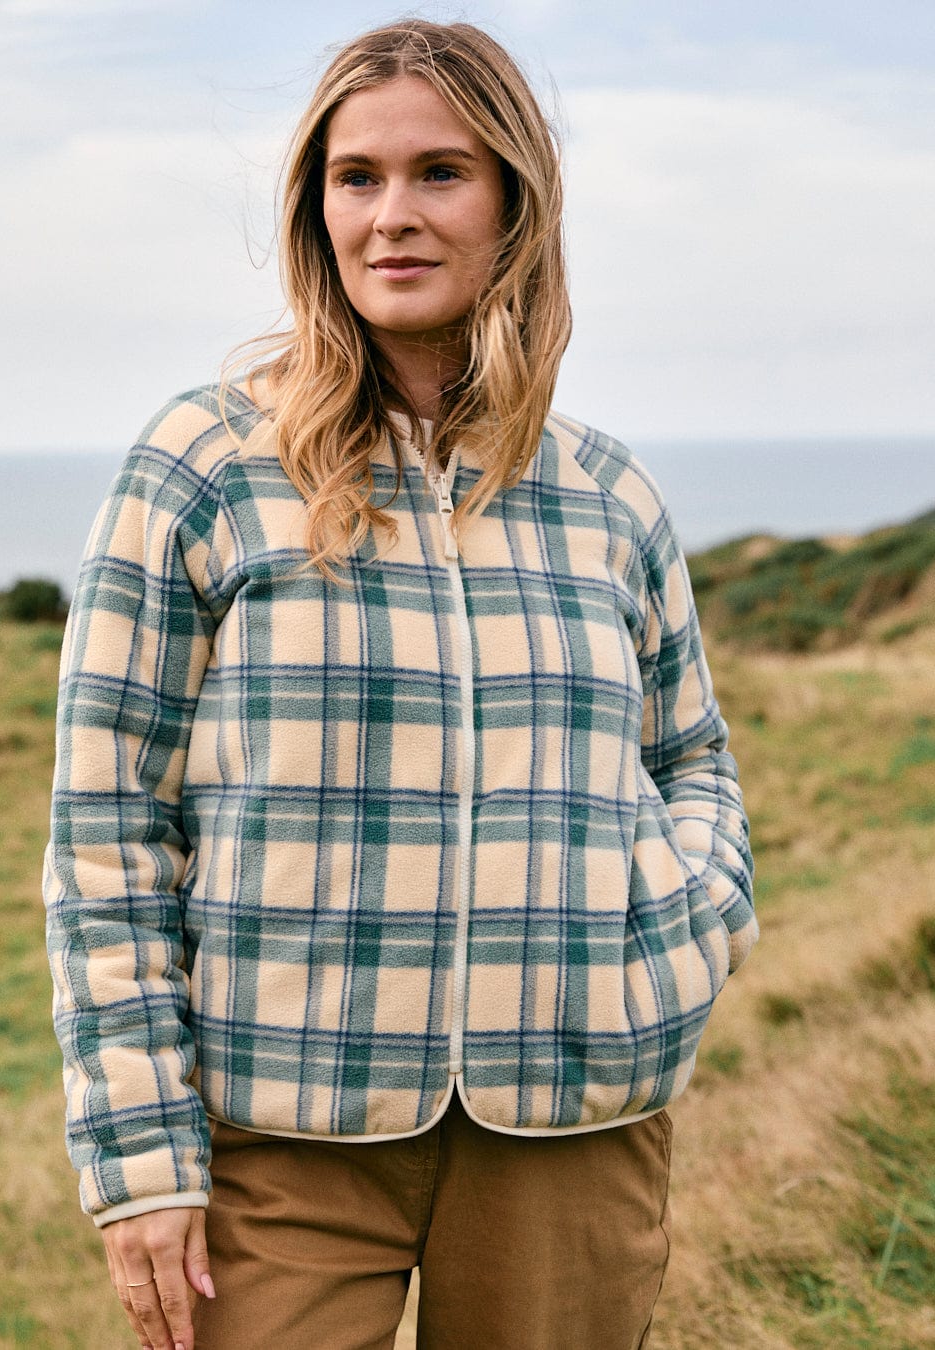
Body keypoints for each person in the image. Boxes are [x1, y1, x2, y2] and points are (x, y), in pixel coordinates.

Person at [44, 19, 757, 1350]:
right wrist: (142, 1157)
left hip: (572, 1127)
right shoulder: (203, 465)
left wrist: (686, 924)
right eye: (355, 177)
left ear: (513, 201)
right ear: (316, 210)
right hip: (286, 1143)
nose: (393, 216)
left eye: (441, 171)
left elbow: (692, 755)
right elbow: (106, 828)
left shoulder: (606, 494)